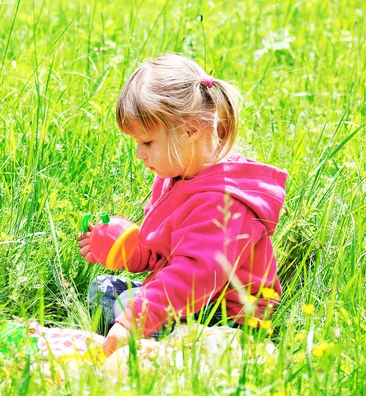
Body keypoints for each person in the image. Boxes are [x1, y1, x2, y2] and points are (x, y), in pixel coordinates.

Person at [77, 53, 288, 357]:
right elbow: (162, 254)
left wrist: (133, 320)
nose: (139, 154)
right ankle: (147, 346)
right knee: (104, 289)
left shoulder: (224, 201)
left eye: (147, 142)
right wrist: (123, 248)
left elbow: (193, 276)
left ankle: (157, 353)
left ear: (190, 131)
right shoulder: (176, 174)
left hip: (227, 317)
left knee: (127, 308)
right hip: (189, 299)